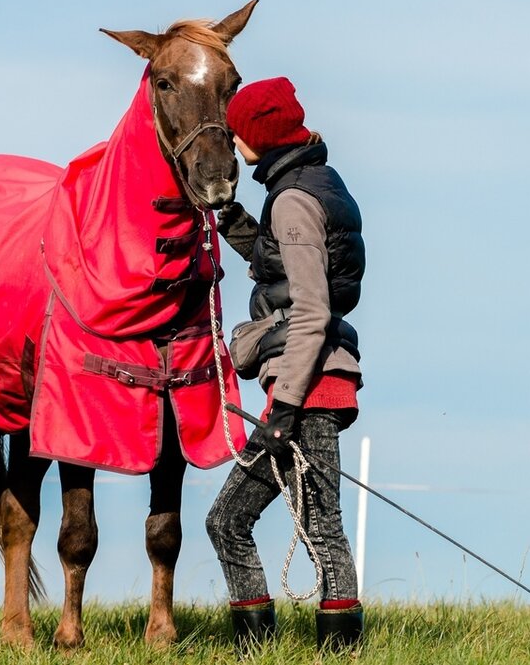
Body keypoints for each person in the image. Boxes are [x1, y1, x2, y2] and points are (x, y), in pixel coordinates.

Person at [205, 76, 366, 654]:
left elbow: (312, 309)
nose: (230, 142)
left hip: (308, 391)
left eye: (235, 132)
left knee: (282, 527)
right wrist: (232, 219)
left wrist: (285, 410)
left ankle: (301, 652)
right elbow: (282, 263)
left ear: (257, 137)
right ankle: (274, 652)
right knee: (293, 527)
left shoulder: (295, 201)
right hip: (314, 384)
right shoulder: (310, 185)